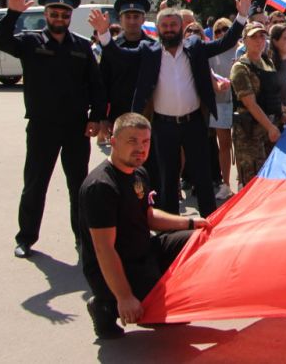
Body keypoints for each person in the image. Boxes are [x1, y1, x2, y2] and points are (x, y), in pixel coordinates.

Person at [89, 0, 252, 218]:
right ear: (158, 30)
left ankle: (209, 223)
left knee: (203, 176)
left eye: (173, 25)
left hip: (194, 122)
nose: (169, 29)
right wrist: (104, 33)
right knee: (168, 179)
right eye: (164, 26)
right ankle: (172, 229)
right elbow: (118, 56)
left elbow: (224, 43)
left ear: (181, 28)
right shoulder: (148, 51)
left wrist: (242, 17)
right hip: (163, 126)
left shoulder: (194, 47)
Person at [0, 0, 105, 258]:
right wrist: (12, 14)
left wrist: (96, 118)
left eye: (64, 15)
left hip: (76, 127)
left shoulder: (81, 46)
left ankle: (82, 237)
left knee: (78, 185)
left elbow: (96, 85)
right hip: (42, 127)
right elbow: (0, 41)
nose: (59, 19)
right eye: (54, 14)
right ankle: (26, 237)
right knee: (35, 183)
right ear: (46, 15)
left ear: (69, 17)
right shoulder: (31, 43)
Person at [79, 113, 210, 339]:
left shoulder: (138, 171)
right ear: (113, 141)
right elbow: (104, 249)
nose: (140, 148)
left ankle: (152, 289)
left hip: (143, 250)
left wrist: (191, 222)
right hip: (118, 264)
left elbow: (148, 215)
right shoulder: (101, 186)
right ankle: (105, 305)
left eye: (145, 142)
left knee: (201, 239)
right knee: (173, 314)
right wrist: (125, 297)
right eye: (132, 141)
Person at [230, 23, 286, 186]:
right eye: (254, 37)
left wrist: (280, 114)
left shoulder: (267, 62)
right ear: (244, 41)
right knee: (253, 181)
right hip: (251, 135)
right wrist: (270, 127)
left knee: (272, 179)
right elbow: (250, 103)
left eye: (262, 36)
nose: (259, 40)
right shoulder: (240, 68)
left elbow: (273, 94)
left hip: (271, 130)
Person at [99, 0, 154, 148]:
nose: (132, 21)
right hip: (119, 114)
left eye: (136, 16)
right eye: (127, 16)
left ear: (143, 19)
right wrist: (102, 117)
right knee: (122, 161)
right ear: (120, 19)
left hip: (148, 114)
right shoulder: (111, 47)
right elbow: (103, 82)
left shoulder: (153, 46)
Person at [207, 17, 237, 200]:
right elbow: (210, 76)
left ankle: (243, 180)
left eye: (225, 29)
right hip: (220, 102)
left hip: (241, 102)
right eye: (217, 31)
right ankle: (225, 183)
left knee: (241, 144)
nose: (221, 33)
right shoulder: (211, 52)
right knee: (224, 144)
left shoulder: (241, 48)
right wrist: (217, 87)